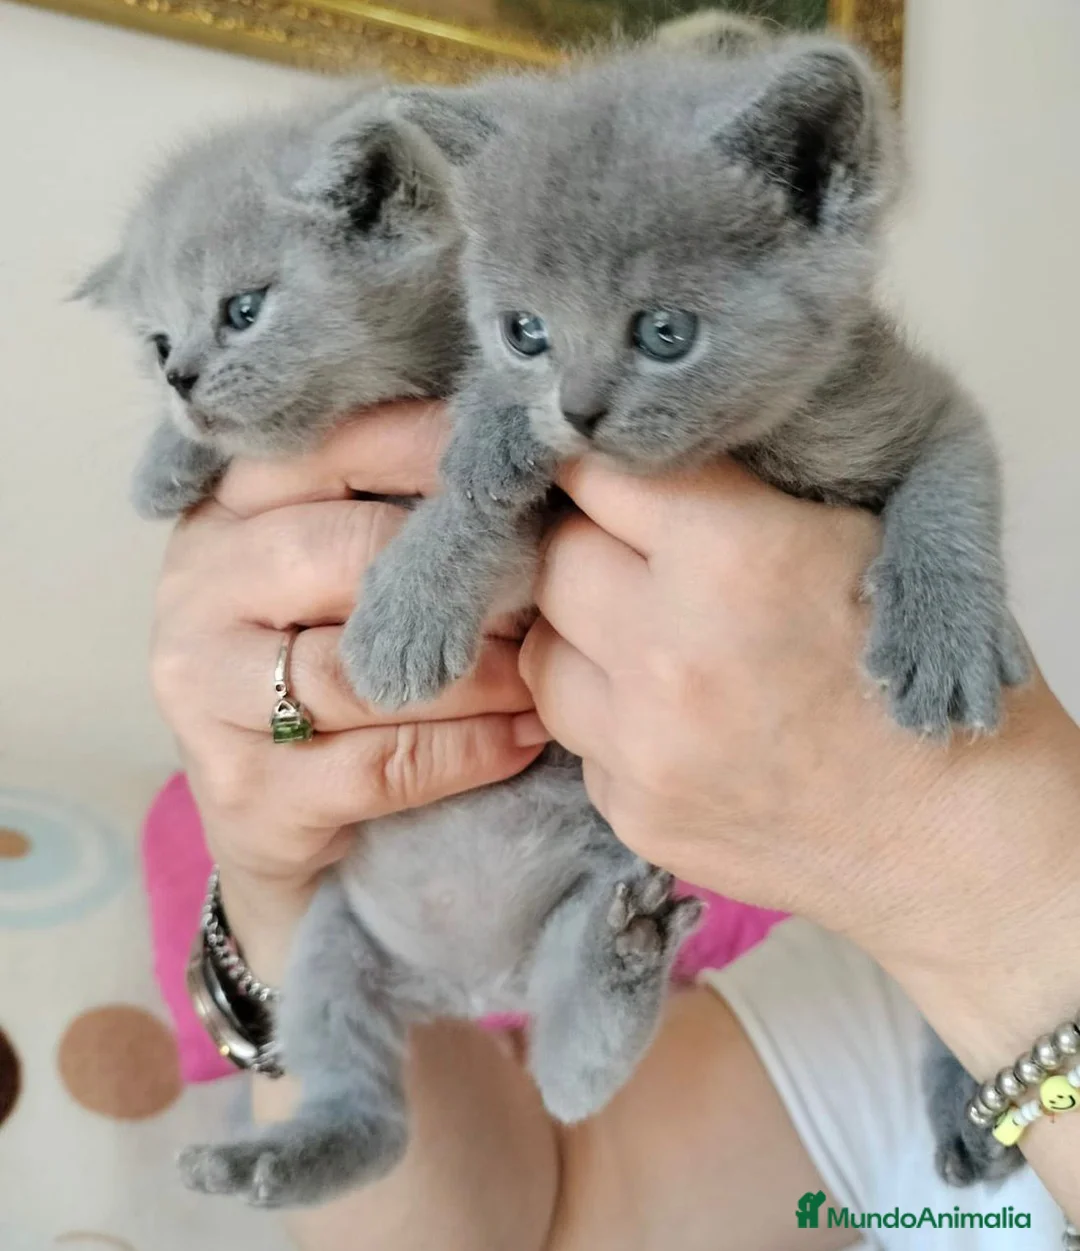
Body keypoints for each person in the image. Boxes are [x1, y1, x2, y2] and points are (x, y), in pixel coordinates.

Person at [152, 399, 1080, 1250]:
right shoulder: (884, 1004)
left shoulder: (951, 919)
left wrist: (979, 854)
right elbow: (548, 1219)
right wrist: (282, 893)